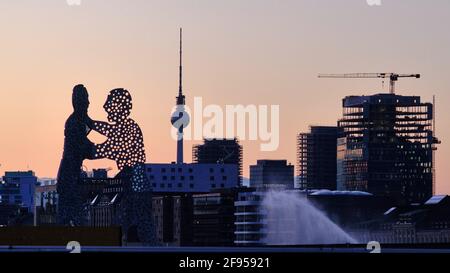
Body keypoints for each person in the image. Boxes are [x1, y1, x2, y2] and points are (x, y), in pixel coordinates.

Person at [87, 88, 154, 245]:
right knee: (128, 225)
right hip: (134, 185)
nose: (105, 106)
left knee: (129, 226)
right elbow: (108, 130)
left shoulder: (129, 129)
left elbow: (104, 148)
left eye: (109, 103)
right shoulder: (126, 128)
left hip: (135, 186)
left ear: (119, 106)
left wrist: (84, 145)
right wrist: (89, 123)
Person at [57, 84, 95, 226]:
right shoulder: (73, 123)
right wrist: (112, 149)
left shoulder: (81, 120)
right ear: (78, 102)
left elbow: (96, 125)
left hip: (72, 176)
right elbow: (87, 148)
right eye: (86, 99)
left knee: (74, 219)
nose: (89, 103)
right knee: (71, 219)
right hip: (68, 178)